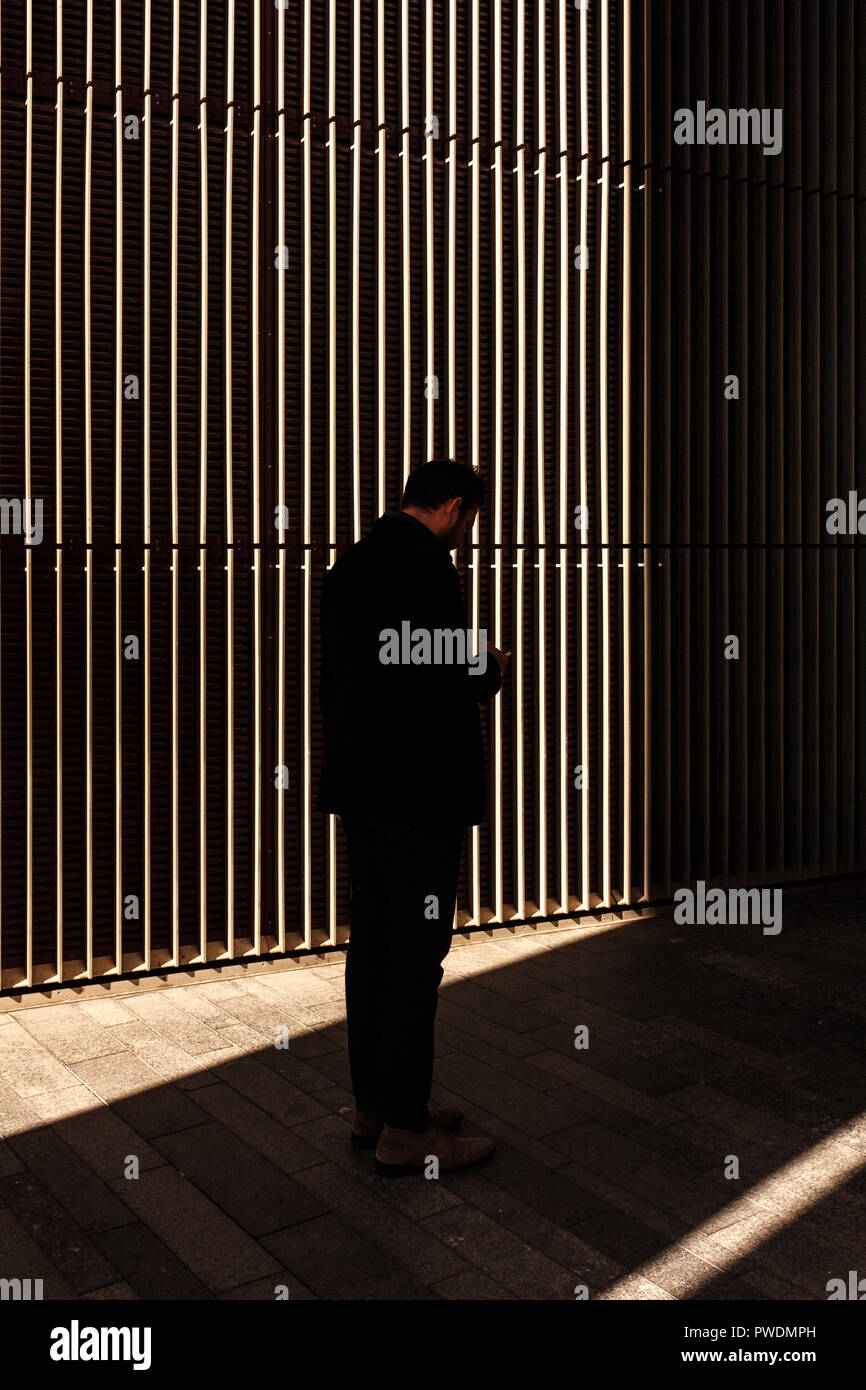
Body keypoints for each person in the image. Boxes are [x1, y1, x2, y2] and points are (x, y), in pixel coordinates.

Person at [316, 458, 509, 1176]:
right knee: (414, 956)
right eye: (470, 522)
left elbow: (340, 682)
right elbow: (445, 671)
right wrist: (488, 662)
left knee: (372, 947)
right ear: (456, 507)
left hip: (362, 790)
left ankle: (376, 1105)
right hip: (417, 795)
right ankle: (405, 1129)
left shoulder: (349, 567)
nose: (465, 536)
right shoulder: (428, 566)